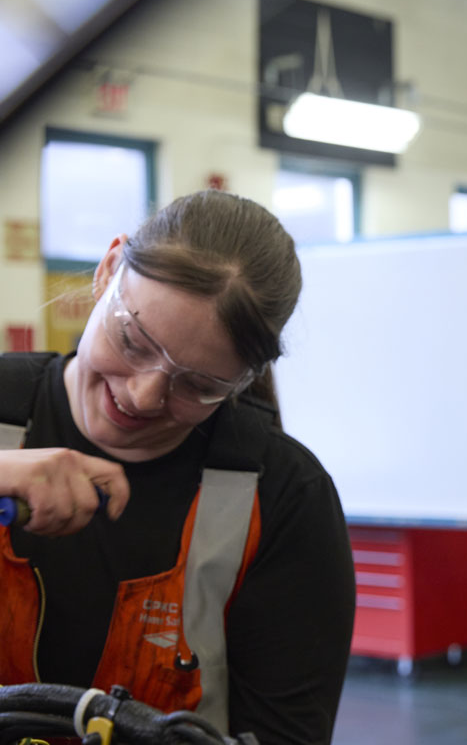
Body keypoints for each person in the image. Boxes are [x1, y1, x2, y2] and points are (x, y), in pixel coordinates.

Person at [0, 190, 356, 745]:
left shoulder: (285, 497)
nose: (142, 396)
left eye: (198, 385)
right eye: (132, 339)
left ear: (243, 380)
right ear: (109, 268)